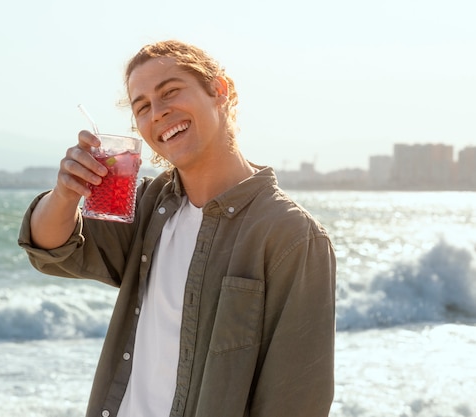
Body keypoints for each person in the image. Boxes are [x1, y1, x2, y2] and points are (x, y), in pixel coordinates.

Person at [18, 40, 336, 417]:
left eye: (170, 92)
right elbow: (51, 247)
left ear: (221, 91)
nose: (159, 112)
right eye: (143, 106)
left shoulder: (290, 235)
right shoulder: (149, 206)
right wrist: (66, 193)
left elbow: (296, 400)